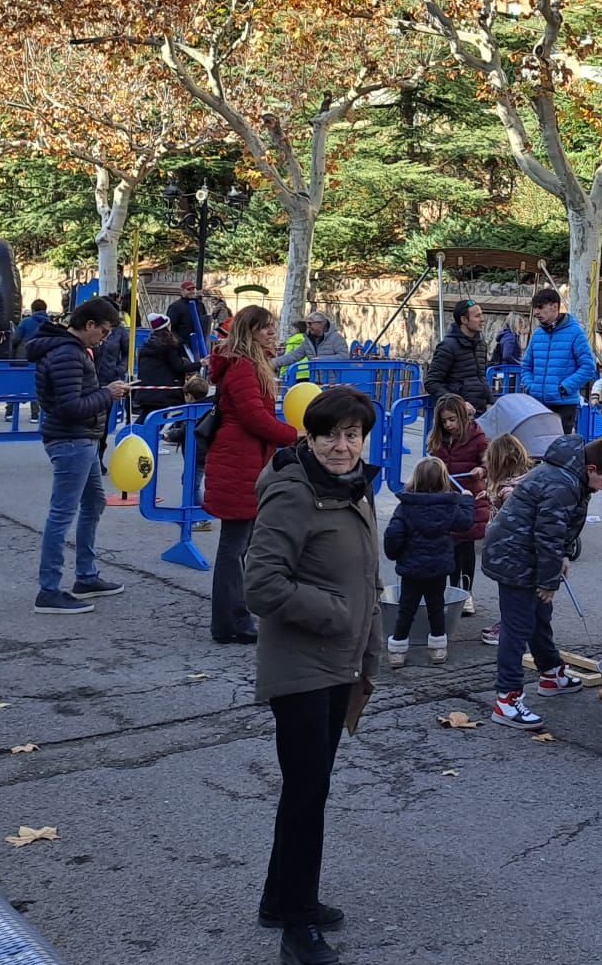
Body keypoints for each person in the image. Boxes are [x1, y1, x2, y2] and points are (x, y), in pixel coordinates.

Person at [243, 386, 384, 965]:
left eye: (352, 434)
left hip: (339, 662)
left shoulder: (354, 488)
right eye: (329, 433)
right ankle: (297, 927)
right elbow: (261, 584)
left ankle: (281, 899)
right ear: (308, 434)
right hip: (301, 666)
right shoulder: (294, 492)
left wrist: (367, 646)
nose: (341, 445)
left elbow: (366, 579)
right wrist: (336, 614)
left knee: (309, 789)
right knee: (307, 795)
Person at [480, 433, 602, 729]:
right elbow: (548, 535)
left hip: (521, 551)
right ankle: (506, 699)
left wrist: (563, 556)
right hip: (513, 555)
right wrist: (548, 581)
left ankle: (551, 673)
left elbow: (560, 528)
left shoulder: (571, 477)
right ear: (591, 469)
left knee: (540, 616)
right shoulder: (562, 484)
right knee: (517, 626)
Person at [27, 298, 132, 615]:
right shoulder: (68, 355)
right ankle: (49, 590)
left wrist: (102, 389)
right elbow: (70, 407)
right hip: (72, 440)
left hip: (79, 439)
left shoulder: (69, 351)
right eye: (104, 329)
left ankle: (86, 576)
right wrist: (108, 393)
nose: (106, 336)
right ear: (89, 325)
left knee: (94, 502)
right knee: (62, 513)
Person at [202, 306, 298, 643]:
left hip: (244, 458)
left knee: (241, 544)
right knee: (236, 545)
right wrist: (294, 436)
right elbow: (254, 418)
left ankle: (234, 618)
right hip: (239, 459)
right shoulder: (244, 368)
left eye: (273, 327)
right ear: (250, 332)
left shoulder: (250, 364)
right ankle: (232, 621)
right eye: (265, 328)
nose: (273, 333)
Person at [383, 456, 475, 668]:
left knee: (406, 608)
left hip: (411, 569)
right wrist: (468, 500)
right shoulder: (449, 506)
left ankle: (397, 649)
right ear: (443, 479)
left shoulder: (405, 507)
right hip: (438, 568)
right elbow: (465, 523)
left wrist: (394, 553)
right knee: (436, 606)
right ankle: (437, 648)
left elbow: (394, 533)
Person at [425, 395, 488, 615]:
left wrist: (482, 470)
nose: (449, 425)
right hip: (445, 496)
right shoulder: (438, 440)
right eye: (444, 421)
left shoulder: (478, 437)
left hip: (469, 497)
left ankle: (467, 592)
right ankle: (452, 591)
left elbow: (487, 462)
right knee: (449, 547)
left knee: (466, 546)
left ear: (462, 417)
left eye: (452, 419)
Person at [476, 435, 534, 648]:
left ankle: (511, 627)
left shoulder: (510, 491)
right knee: (509, 592)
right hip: (508, 548)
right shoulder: (511, 484)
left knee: (512, 594)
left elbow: (515, 521)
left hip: (511, 550)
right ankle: (508, 622)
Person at [518, 289, 597, 432]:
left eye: (540, 307)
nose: (536, 312)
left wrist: (566, 387)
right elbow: (526, 366)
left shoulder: (575, 332)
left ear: (554, 307)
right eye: (534, 308)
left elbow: (588, 367)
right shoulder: (537, 334)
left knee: (559, 449)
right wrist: (531, 386)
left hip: (563, 405)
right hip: (537, 403)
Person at [425, 298, 492, 414]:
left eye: (481, 315)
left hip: (480, 411)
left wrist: (491, 401)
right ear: (464, 320)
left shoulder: (481, 345)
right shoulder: (448, 346)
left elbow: (481, 377)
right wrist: (457, 403)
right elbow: (432, 382)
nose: (482, 320)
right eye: (477, 316)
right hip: (457, 414)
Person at [135, 315, 202, 419]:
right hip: (164, 393)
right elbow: (179, 367)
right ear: (167, 327)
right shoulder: (168, 346)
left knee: (148, 418)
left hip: (147, 391)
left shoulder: (146, 345)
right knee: (156, 420)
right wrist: (200, 364)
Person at [276, 310, 349, 384]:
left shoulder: (336, 337)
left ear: (321, 323)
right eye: (307, 323)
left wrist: (322, 360)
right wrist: (273, 363)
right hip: (314, 382)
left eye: (310, 323)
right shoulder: (308, 340)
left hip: (334, 384)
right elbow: (294, 355)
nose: (308, 326)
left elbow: (344, 356)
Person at [166, 280, 209, 355]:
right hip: (183, 346)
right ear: (182, 291)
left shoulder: (200, 305)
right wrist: (180, 342)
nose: (192, 291)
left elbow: (203, 322)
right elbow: (170, 327)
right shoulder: (175, 307)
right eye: (188, 289)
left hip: (199, 344)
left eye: (193, 289)